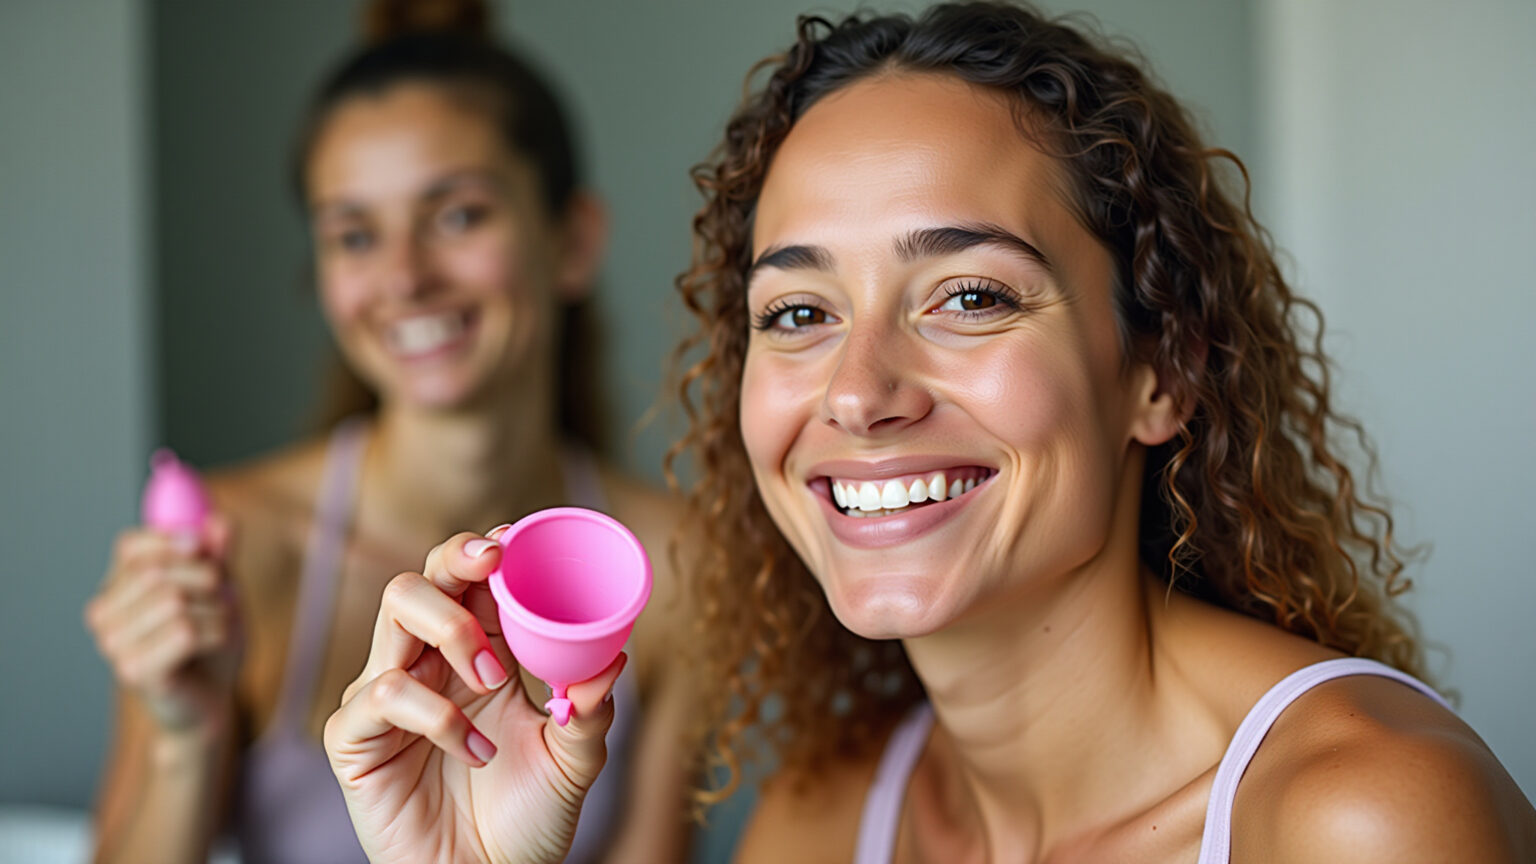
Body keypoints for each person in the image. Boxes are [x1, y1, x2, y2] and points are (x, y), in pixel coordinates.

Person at [321, 2, 1536, 862]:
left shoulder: (1361, 820)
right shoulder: (825, 819)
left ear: (1160, 372)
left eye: (970, 296)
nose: (860, 392)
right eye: (798, 312)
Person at [82, 2, 693, 863]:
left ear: (572, 239)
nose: (403, 277)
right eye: (355, 234)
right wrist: (186, 734)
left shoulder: (676, 571)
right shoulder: (233, 549)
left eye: (458, 215)